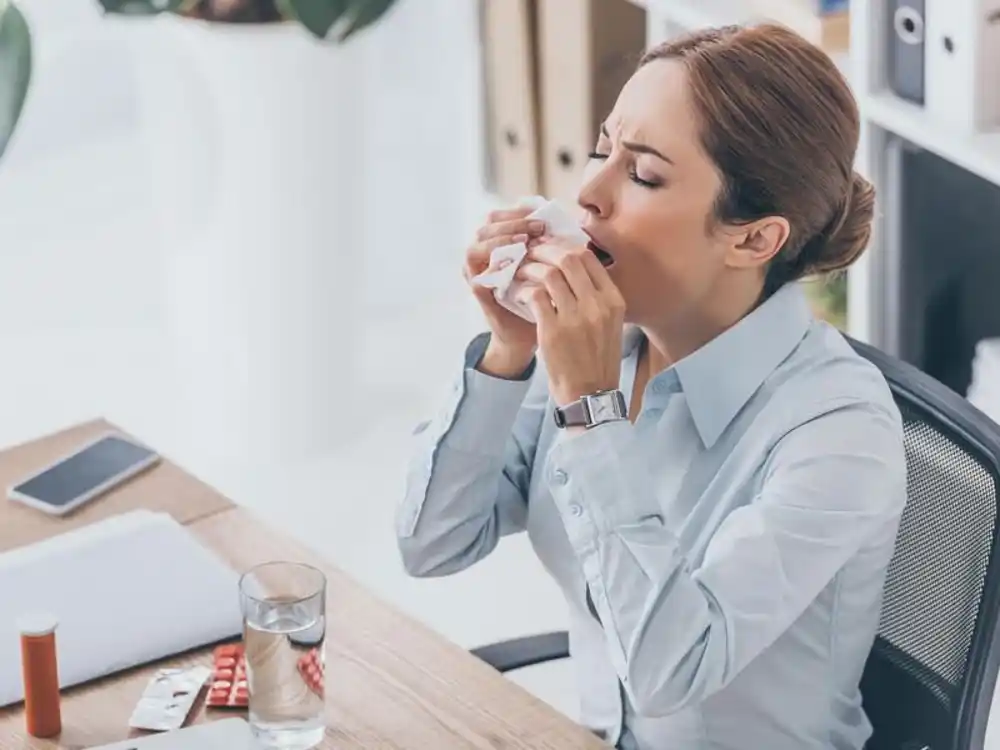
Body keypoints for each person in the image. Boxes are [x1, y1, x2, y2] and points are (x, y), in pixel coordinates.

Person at [395, 22, 907, 750]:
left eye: (643, 174)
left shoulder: (839, 434)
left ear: (754, 239)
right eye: (605, 148)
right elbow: (432, 542)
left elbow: (673, 672)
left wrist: (591, 410)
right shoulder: (605, 344)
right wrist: (508, 352)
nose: (588, 191)